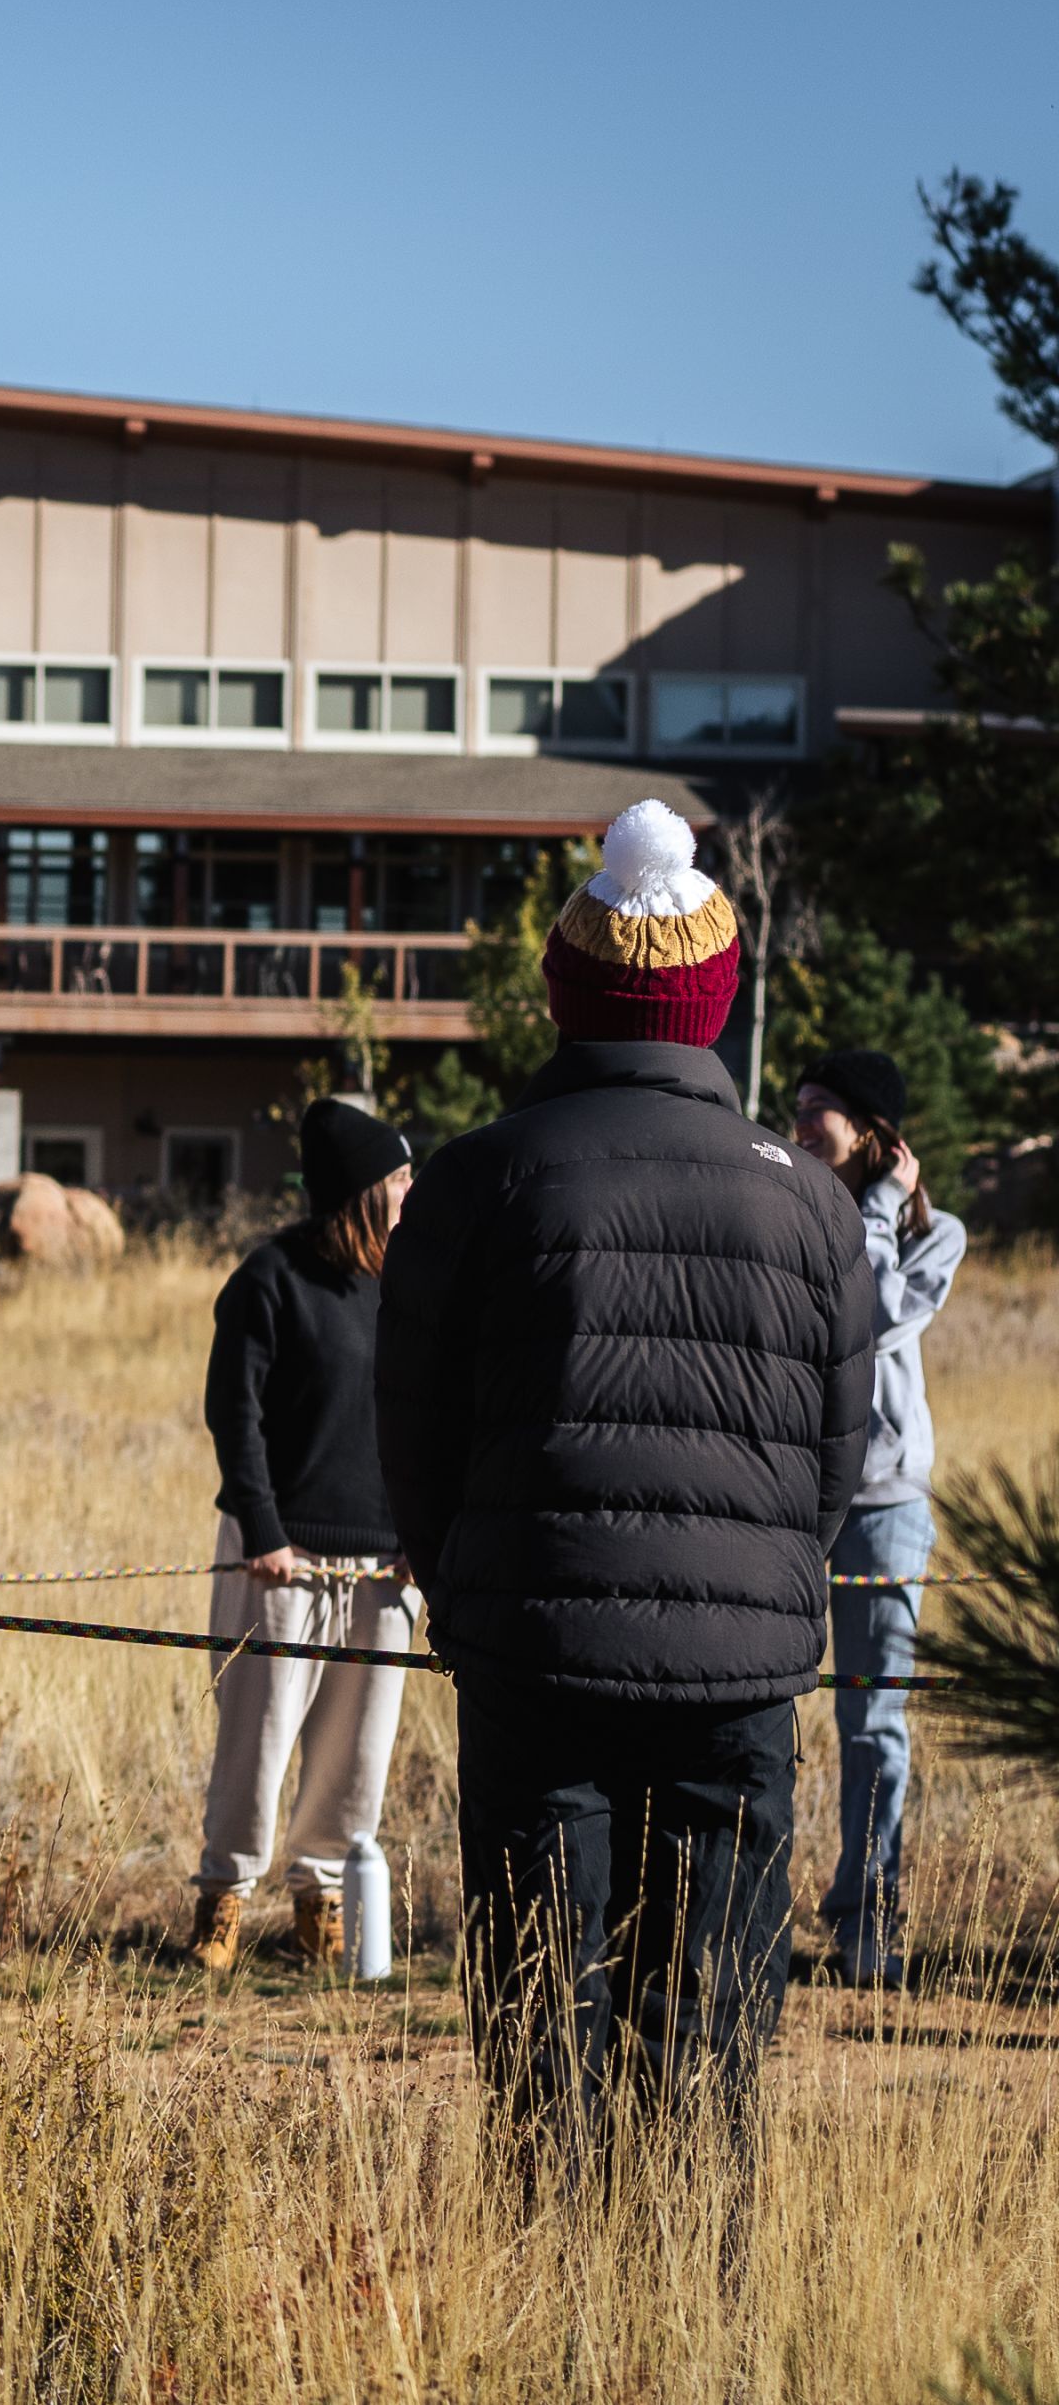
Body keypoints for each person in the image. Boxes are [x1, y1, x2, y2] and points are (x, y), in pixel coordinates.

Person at [380, 802, 872, 2161]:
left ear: (562, 994)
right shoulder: (809, 1199)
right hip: (740, 1672)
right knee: (712, 2014)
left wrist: (462, 1573)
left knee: (542, 2009)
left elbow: (411, 1432)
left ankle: (548, 2317)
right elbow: (838, 1453)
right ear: (713, 1002)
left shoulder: (477, 1179)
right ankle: (691, 2315)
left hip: (533, 1647)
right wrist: (763, 1574)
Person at [184, 1100, 419, 1977]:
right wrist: (264, 1529)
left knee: (358, 1748)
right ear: (362, 1191)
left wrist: (418, 1537)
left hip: (386, 1562)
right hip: (280, 1555)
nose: (412, 1189)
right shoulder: (268, 1279)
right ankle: (223, 1898)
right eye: (398, 1176)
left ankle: (321, 1899)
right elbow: (233, 1415)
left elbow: (429, 1417)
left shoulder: (410, 1281)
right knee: (257, 1738)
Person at [792, 1047, 965, 1988]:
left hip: (885, 1509)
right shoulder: (788, 1211)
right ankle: (744, 1911)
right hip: (783, 1498)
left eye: (819, 1106)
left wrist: (877, 1211)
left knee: (874, 1725)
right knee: (758, 1707)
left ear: (872, 1135)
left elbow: (869, 1312)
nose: (799, 1116)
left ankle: (866, 1921)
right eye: (799, 1102)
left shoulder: (938, 1236)